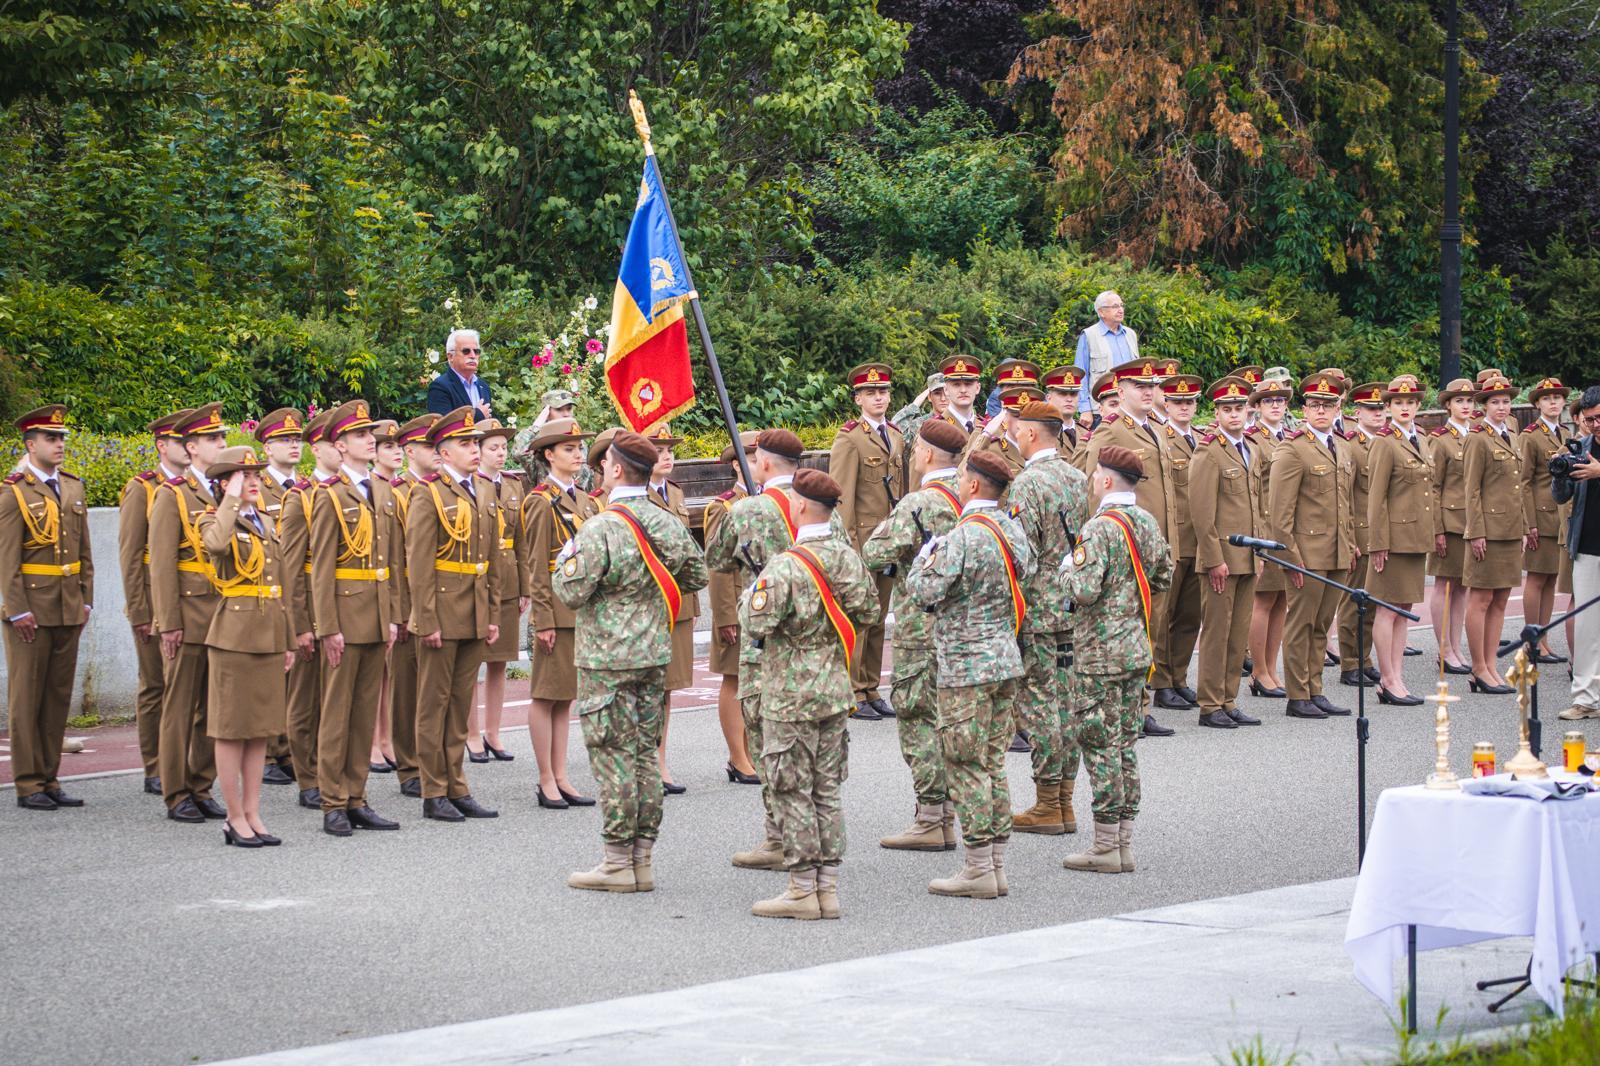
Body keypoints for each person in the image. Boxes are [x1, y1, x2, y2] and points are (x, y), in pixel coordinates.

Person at [553, 430, 707, 893]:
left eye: (604, 465)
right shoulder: (664, 521)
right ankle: (642, 858)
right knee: (643, 755)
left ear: (616, 469)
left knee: (612, 759)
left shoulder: (600, 526)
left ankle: (617, 860)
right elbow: (696, 572)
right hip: (653, 651)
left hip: (607, 659)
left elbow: (570, 590)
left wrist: (565, 561)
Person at [740, 468, 879, 919]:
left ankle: (802, 889)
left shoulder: (785, 565)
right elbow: (870, 610)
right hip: (835, 690)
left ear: (798, 506)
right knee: (826, 790)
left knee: (791, 789)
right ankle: (828, 888)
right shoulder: (847, 556)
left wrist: (751, 593)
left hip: (790, 695)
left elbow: (755, 624)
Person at [905, 450, 1035, 900]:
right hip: (1004, 658)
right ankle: (994, 863)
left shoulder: (962, 536)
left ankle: (978, 866)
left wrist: (925, 558)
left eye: (963, 477)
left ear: (974, 485)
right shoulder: (1011, 529)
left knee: (965, 762)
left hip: (965, 664)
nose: (959, 482)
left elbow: (924, 589)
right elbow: (1030, 571)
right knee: (993, 760)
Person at [705, 428, 831, 868]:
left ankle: (780, 837)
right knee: (816, 746)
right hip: (817, 640)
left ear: (762, 463)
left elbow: (716, 559)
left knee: (769, 743)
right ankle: (807, 835)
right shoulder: (818, 506)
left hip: (766, 641)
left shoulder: (748, 511)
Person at [1059, 445, 1173, 873]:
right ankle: (1122, 841)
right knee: (1125, 744)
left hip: (1100, 653)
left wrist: (1067, 568)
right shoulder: (1144, 520)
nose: (1091, 480)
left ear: (1106, 480)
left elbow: (1083, 590)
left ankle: (1105, 844)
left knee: (1099, 744)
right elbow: (1163, 574)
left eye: (1094, 475)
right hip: (1134, 648)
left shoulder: (1100, 528)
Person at [861, 420, 968, 852]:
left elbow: (874, 551)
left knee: (918, 719)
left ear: (923, 454)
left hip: (920, 629)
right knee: (951, 719)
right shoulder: (970, 497)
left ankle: (930, 817)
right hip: (960, 627)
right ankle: (947, 814)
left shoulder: (919, 503)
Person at [405, 406, 504, 822]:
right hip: (442, 612)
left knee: (461, 702)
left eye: (474, 443)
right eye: (465, 444)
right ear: (443, 453)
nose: (474, 450)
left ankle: (456, 783)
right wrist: (425, 619)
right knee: (434, 704)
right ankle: (433, 789)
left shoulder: (483, 490)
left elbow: (491, 558)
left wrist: (493, 613)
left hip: (474, 609)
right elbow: (419, 561)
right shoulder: (427, 492)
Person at [310, 400, 402, 837]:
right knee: (336, 713)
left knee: (364, 713)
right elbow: (321, 567)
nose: (373, 441)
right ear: (341, 446)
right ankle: (332, 801)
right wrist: (327, 627)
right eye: (363, 436)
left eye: (374, 436)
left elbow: (392, 562)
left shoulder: (382, 491)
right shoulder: (328, 495)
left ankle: (356, 796)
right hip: (344, 616)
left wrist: (393, 616)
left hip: (376, 614)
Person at [196, 446, 295, 847]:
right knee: (231, 730)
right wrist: (231, 500)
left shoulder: (266, 522)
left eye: (255, 475)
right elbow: (216, 547)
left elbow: (281, 587)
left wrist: (287, 640)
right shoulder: (211, 518)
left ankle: (253, 812)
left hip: (269, 632)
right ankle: (233, 816)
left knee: (261, 731)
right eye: (244, 475)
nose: (254, 481)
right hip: (234, 638)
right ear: (223, 483)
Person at [1004, 402, 1090, 835]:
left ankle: (1046, 803)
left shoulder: (1027, 485)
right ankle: (1065, 803)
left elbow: (1021, 555)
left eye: (1019, 431)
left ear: (1034, 435)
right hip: (1072, 605)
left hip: (1038, 609)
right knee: (1067, 705)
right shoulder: (1078, 478)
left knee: (1038, 705)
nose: (1015, 437)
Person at [3, 405, 93, 811]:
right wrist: (15, 610)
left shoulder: (72, 487)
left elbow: (84, 550)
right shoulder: (13, 492)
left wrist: (86, 597)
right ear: (30, 443)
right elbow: (5, 559)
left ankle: (51, 777)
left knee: (57, 697)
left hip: (67, 606)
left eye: (61, 439)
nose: (59, 445)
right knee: (28, 698)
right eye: (50, 439)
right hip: (32, 610)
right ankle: (27, 783)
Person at [1083, 359, 1178, 736]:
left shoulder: (1156, 428)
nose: (1148, 391)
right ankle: (1128, 707)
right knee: (1128, 628)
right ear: (1120, 391)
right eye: (1140, 386)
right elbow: (1094, 486)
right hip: (1123, 544)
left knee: (1150, 626)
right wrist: (1101, 542)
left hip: (1153, 541)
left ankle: (1140, 704)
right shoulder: (1111, 430)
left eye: (1152, 385)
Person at [148, 403, 228, 823]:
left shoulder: (222, 491)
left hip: (222, 615)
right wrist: (168, 622)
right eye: (213, 439)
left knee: (212, 709)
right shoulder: (172, 494)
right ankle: (176, 790)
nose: (221, 444)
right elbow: (160, 564)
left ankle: (202, 785)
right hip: (189, 613)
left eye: (222, 437)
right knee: (179, 708)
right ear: (191, 447)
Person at [1266, 373, 1358, 720]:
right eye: (1315, 405)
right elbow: (1280, 513)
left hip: (1335, 550)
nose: (1322, 411)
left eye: (1328, 405)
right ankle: (1297, 693)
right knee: (1301, 623)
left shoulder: (1342, 446)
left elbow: (1345, 504)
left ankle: (1315, 688)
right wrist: (1291, 558)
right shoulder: (1292, 448)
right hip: (1306, 554)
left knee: (1322, 624)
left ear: (1337, 408)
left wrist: (1350, 545)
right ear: (1303, 409)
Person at [521, 417, 601, 809]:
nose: (578, 453)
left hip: (579, 609)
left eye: (579, 448)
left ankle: (562, 775)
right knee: (545, 694)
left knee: (566, 696)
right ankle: (545, 778)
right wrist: (543, 619)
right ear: (548, 455)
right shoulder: (540, 501)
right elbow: (536, 565)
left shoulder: (585, 500)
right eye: (569, 449)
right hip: (556, 610)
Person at [117, 407, 191, 796]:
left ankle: (183, 764)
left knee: (184, 690)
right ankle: (155, 765)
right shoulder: (143, 488)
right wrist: (141, 611)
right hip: (152, 603)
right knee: (156, 686)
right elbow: (131, 555)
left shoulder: (197, 487)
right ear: (162, 446)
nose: (188, 447)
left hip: (187, 602)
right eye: (180, 441)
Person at [829, 363, 906, 721]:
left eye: (884, 392)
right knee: (858, 616)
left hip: (889, 539)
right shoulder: (850, 438)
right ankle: (852, 690)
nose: (879, 397)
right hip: (861, 540)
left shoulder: (896, 434)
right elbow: (841, 496)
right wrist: (845, 549)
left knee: (878, 617)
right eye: (871, 393)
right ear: (858, 398)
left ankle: (871, 687)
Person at [1187, 377, 1262, 728]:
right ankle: (1210, 703)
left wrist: (1258, 553)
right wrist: (1214, 559)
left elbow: (1256, 506)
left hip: (1247, 557)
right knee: (1217, 632)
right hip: (1221, 560)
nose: (1235, 415)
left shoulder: (1250, 448)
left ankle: (1229, 698)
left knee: (1238, 632)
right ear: (1216, 412)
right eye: (1227, 409)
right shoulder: (1208, 451)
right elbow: (1201, 514)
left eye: (1239, 408)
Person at [1363, 379, 1433, 705]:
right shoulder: (1385, 442)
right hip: (1393, 540)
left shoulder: (1420, 439)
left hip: (1415, 537)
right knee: (1387, 610)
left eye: (1411, 402)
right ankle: (1387, 679)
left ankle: (1398, 677)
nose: (1405, 407)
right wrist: (1377, 543)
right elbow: (1375, 498)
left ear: (1418, 406)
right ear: (1388, 407)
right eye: (1397, 403)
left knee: (1404, 610)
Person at [284, 410, 341, 811]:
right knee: (305, 700)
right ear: (317, 448)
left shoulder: (354, 492)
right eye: (332, 442)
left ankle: (333, 772)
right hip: (310, 607)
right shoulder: (300, 496)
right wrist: (299, 624)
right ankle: (307, 775)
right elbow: (291, 569)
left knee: (335, 701)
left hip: (342, 607)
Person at [701, 432, 761, 787]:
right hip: (736, 605)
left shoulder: (767, 501)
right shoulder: (723, 507)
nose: (758, 466)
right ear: (738, 465)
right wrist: (724, 616)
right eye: (751, 460)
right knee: (734, 678)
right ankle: (738, 756)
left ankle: (752, 752)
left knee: (756, 682)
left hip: (761, 604)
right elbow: (718, 567)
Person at [641, 423, 698, 791]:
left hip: (678, 602)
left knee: (669, 687)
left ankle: (660, 762)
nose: (666, 456)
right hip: (650, 602)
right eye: (658, 450)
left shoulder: (675, 493)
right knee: (646, 686)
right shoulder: (637, 497)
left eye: (670, 450)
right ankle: (645, 762)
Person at [1463, 375, 1527, 694]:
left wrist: (1526, 526)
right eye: (1495, 402)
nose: (1502, 406)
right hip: (1488, 529)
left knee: (1500, 598)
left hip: (1511, 528)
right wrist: (1476, 531)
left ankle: (1490, 664)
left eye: (1505, 401)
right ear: (1484, 406)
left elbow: (1518, 487)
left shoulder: (1511, 434)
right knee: (1481, 597)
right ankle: (1478, 667)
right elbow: (1471, 489)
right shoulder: (1478, 437)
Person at [387, 413, 440, 798]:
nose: (436, 452)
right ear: (409, 451)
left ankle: (435, 761)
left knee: (437, 689)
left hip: (440, 600)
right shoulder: (395, 492)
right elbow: (392, 558)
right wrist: (399, 610)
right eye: (428, 446)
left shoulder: (442, 489)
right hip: (406, 602)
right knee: (407, 689)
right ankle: (409, 766)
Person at [254, 407, 308, 785]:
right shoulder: (257, 485)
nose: (293, 445)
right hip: (266, 585)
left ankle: (287, 747)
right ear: (267, 447)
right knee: (270, 673)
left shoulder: (303, 486)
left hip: (298, 586)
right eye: (284, 440)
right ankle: (269, 752)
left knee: (295, 673)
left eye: (296, 439)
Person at [469, 418, 527, 763]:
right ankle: (471, 732)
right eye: (493, 447)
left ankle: (493, 731)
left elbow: (520, 539)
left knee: (500, 662)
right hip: (478, 578)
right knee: (472, 662)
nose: (501, 453)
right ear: (477, 451)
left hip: (506, 578)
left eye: (504, 447)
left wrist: (523, 587)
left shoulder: (513, 485)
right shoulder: (471, 485)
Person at [1151, 374, 1203, 712]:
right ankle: (1161, 681)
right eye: (1177, 402)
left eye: (1189, 402)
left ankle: (1180, 676)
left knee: (1190, 615)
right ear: (1166, 405)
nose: (1184, 407)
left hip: (1200, 539)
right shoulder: (1160, 438)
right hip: (1174, 537)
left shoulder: (1202, 439)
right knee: (1164, 614)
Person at [1335, 383, 1387, 688]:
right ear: (1358, 413)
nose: (1377, 414)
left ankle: (1364, 658)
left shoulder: (1383, 442)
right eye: (1371, 409)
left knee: (1372, 604)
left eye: (1381, 409)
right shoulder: (1352, 445)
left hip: (1378, 533)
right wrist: (1350, 538)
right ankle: (1350, 662)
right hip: (1359, 532)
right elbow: (1347, 498)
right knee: (1352, 603)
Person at [1553, 385, 1600, 720]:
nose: (1595, 425)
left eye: (1599, 418)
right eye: (1589, 420)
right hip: (1587, 545)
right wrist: (1559, 472)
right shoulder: (1579, 446)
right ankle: (1586, 699)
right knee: (1586, 626)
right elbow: (1560, 496)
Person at [1246, 375, 1294, 700]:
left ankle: (1272, 669)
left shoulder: (1290, 438)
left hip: (1287, 531)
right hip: (1265, 530)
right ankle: (1258, 671)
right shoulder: (1253, 439)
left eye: (1280, 401)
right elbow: (1253, 492)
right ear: (1258, 406)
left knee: (1282, 601)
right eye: (1268, 401)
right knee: (1262, 601)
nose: (1275, 405)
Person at [1520, 378, 1574, 664]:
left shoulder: (1565, 433)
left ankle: (1544, 639)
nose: (1553, 402)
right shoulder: (1531, 436)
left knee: (1552, 578)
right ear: (1537, 404)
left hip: (1560, 516)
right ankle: (1532, 640)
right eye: (1547, 398)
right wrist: (1529, 522)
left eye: (1557, 398)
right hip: (1540, 515)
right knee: (1537, 577)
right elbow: (1524, 481)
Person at [1428, 379, 1476, 675]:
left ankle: (1456, 646)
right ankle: (1443, 648)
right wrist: (1437, 528)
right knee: (1445, 584)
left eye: (1470, 401)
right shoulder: (1441, 439)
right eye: (1459, 401)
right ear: (1448, 405)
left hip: (1472, 522)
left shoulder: (1476, 434)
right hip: (1449, 521)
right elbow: (1433, 486)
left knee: (1462, 587)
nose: (1466, 406)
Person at [366, 418, 404, 774]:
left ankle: (387, 738)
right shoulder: (373, 487)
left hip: (397, 585)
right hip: (376, 585)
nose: (397, 452)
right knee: (377, 671)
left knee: (391, 673)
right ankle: (374, 742)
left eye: (398, 446)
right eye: (388, 446)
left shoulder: (401, 488)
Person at [1073, 291, 1140, 412]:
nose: (1120, 310)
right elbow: (1080, 375)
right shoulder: (1089, 335)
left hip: (1131, 407)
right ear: (1101, 312)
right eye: (1115, 306)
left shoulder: (1130, 334)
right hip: (1101, 409)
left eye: (1121, 305)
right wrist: (1085, 410)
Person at [426, 328, 493, 417]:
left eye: (476, 351)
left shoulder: (483, 387)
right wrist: (478, 415)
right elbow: (443, 427)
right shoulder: (440, 387)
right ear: (450, 357)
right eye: (466, 351)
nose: (473, 356)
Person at [933, 355, 985, 436]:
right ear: (946, 390)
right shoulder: (934, 429)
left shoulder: (986, 428)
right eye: (956, 385)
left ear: (977, 388)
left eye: (968, 384)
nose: (963, 390)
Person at [1042, 365, 1087, 456]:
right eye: (1063, 394)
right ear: (1049, 398)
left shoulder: (1087, 434)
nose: (1069, 399)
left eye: (1073, 394)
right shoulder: (1042, 433)